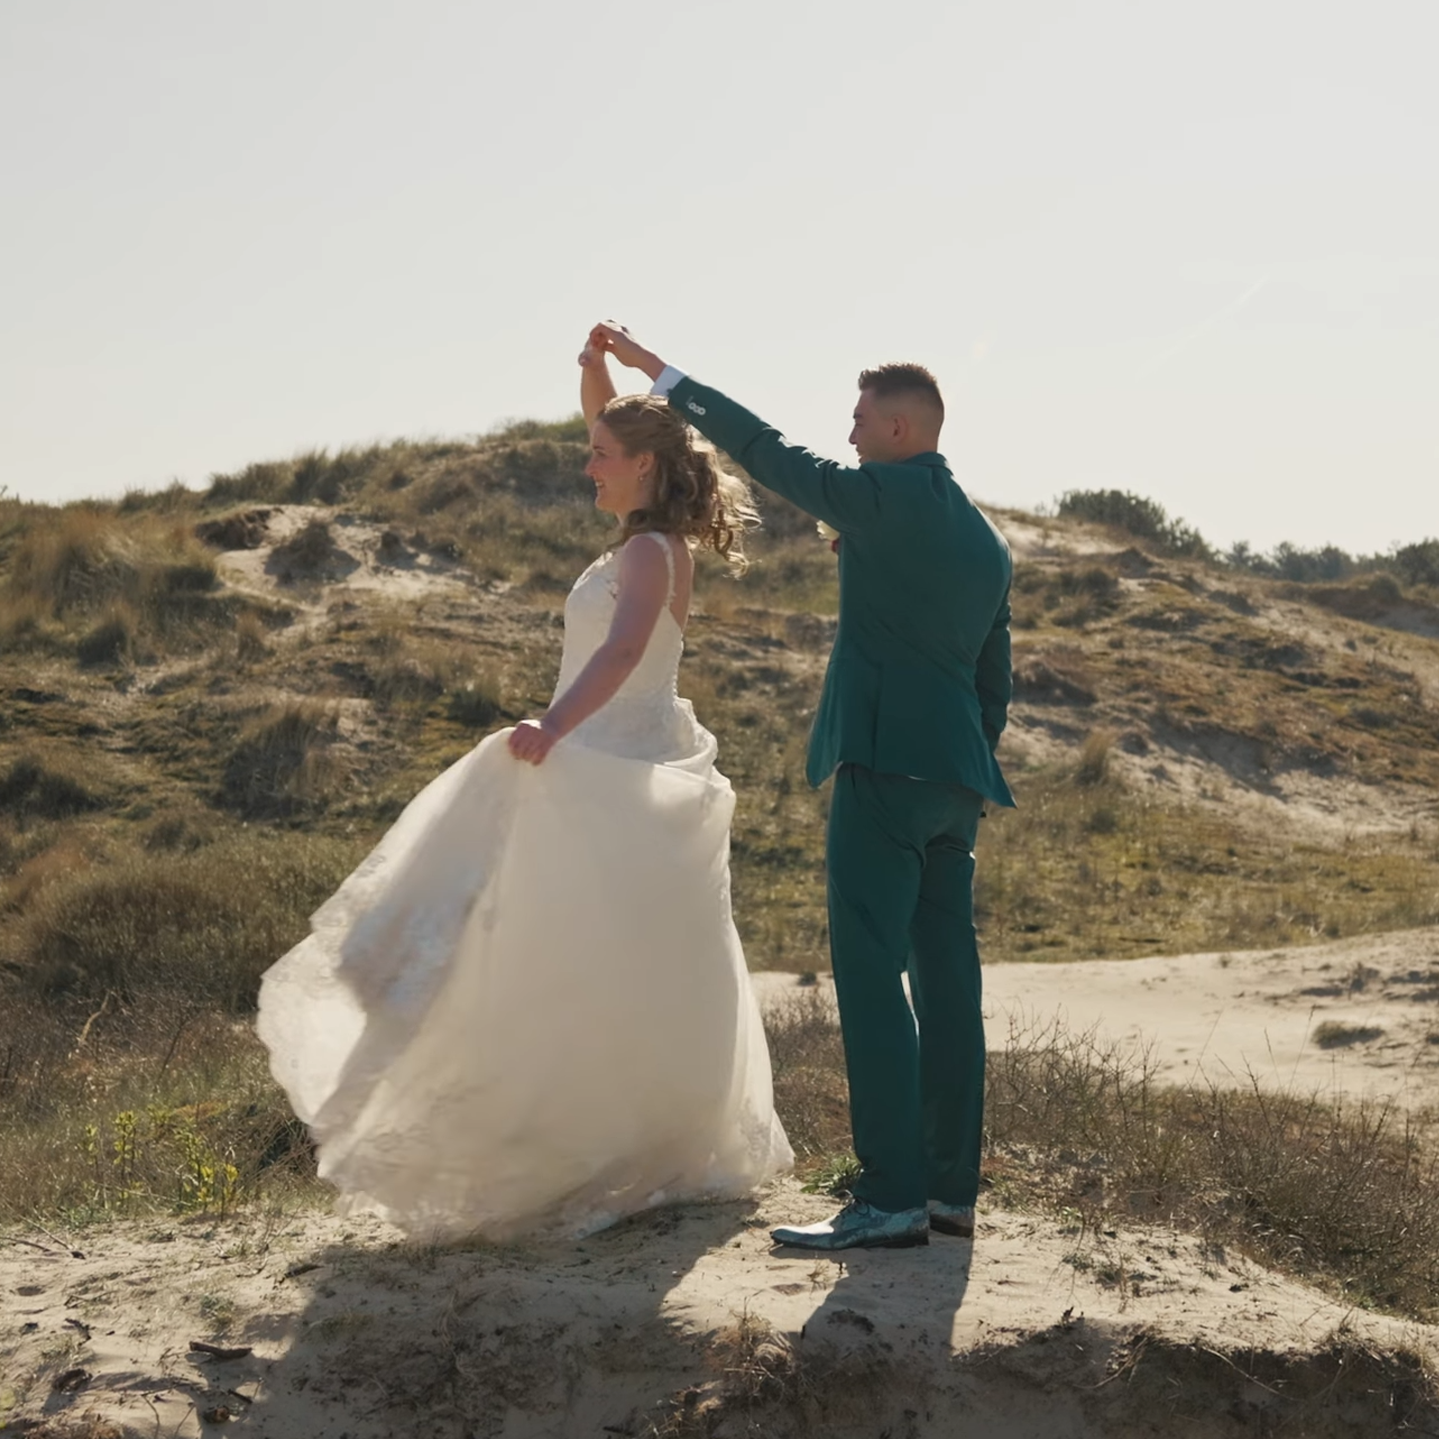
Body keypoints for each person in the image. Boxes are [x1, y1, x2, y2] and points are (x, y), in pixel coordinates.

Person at [256, 338, 792, 1241]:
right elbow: (613, 426)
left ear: (644, 466)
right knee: (556, 946)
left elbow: (623, 651)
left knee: (594, 954)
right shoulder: (643, 533)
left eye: (600, 456)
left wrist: (554, 725)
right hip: (605, 754)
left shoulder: (651, 552)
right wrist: (597, 367)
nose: (587, 465)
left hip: (615, 764)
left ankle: (611, 1142)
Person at [589, 322, 1014, 1251]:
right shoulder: (984, 538)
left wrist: (663, 374)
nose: (849, 432)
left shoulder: (877, 496)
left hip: (881, 768)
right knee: (949, 983)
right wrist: (965, 763)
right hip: (955, 783)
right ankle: (949, 1193)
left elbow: (765, 450)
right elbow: (995, 677)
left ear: (899, 429)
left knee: (868, 974)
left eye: (860, 419)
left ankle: (890, 1196)